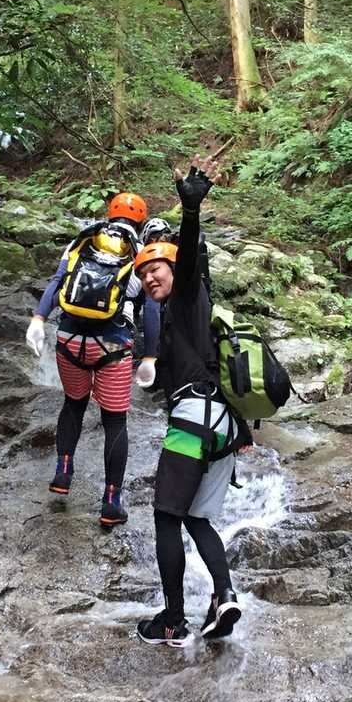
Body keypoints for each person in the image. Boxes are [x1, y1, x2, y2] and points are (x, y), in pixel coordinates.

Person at [133, 164, 242, 647]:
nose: (149, 277)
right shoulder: (184, 315)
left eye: (155, 269)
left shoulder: (186, 296)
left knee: (165, 516)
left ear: (174, 269)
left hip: (194, 421)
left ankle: (173, 620)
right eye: (143, 274)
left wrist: (191, 209)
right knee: (196, 519)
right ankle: (224, 596)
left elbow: (191, 257)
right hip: (223, 426)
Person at [26, 192, 160, 528]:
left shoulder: (82, 241)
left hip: (69, 340)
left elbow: (57, 282)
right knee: (114, 422)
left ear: (109, 214)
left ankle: (63, 472)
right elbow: (152, 307)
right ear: (141, 222)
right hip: (112, 347)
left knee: (73, 404)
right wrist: (150, 356)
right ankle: (111, 502)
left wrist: (39, 319)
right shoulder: (140, 252)